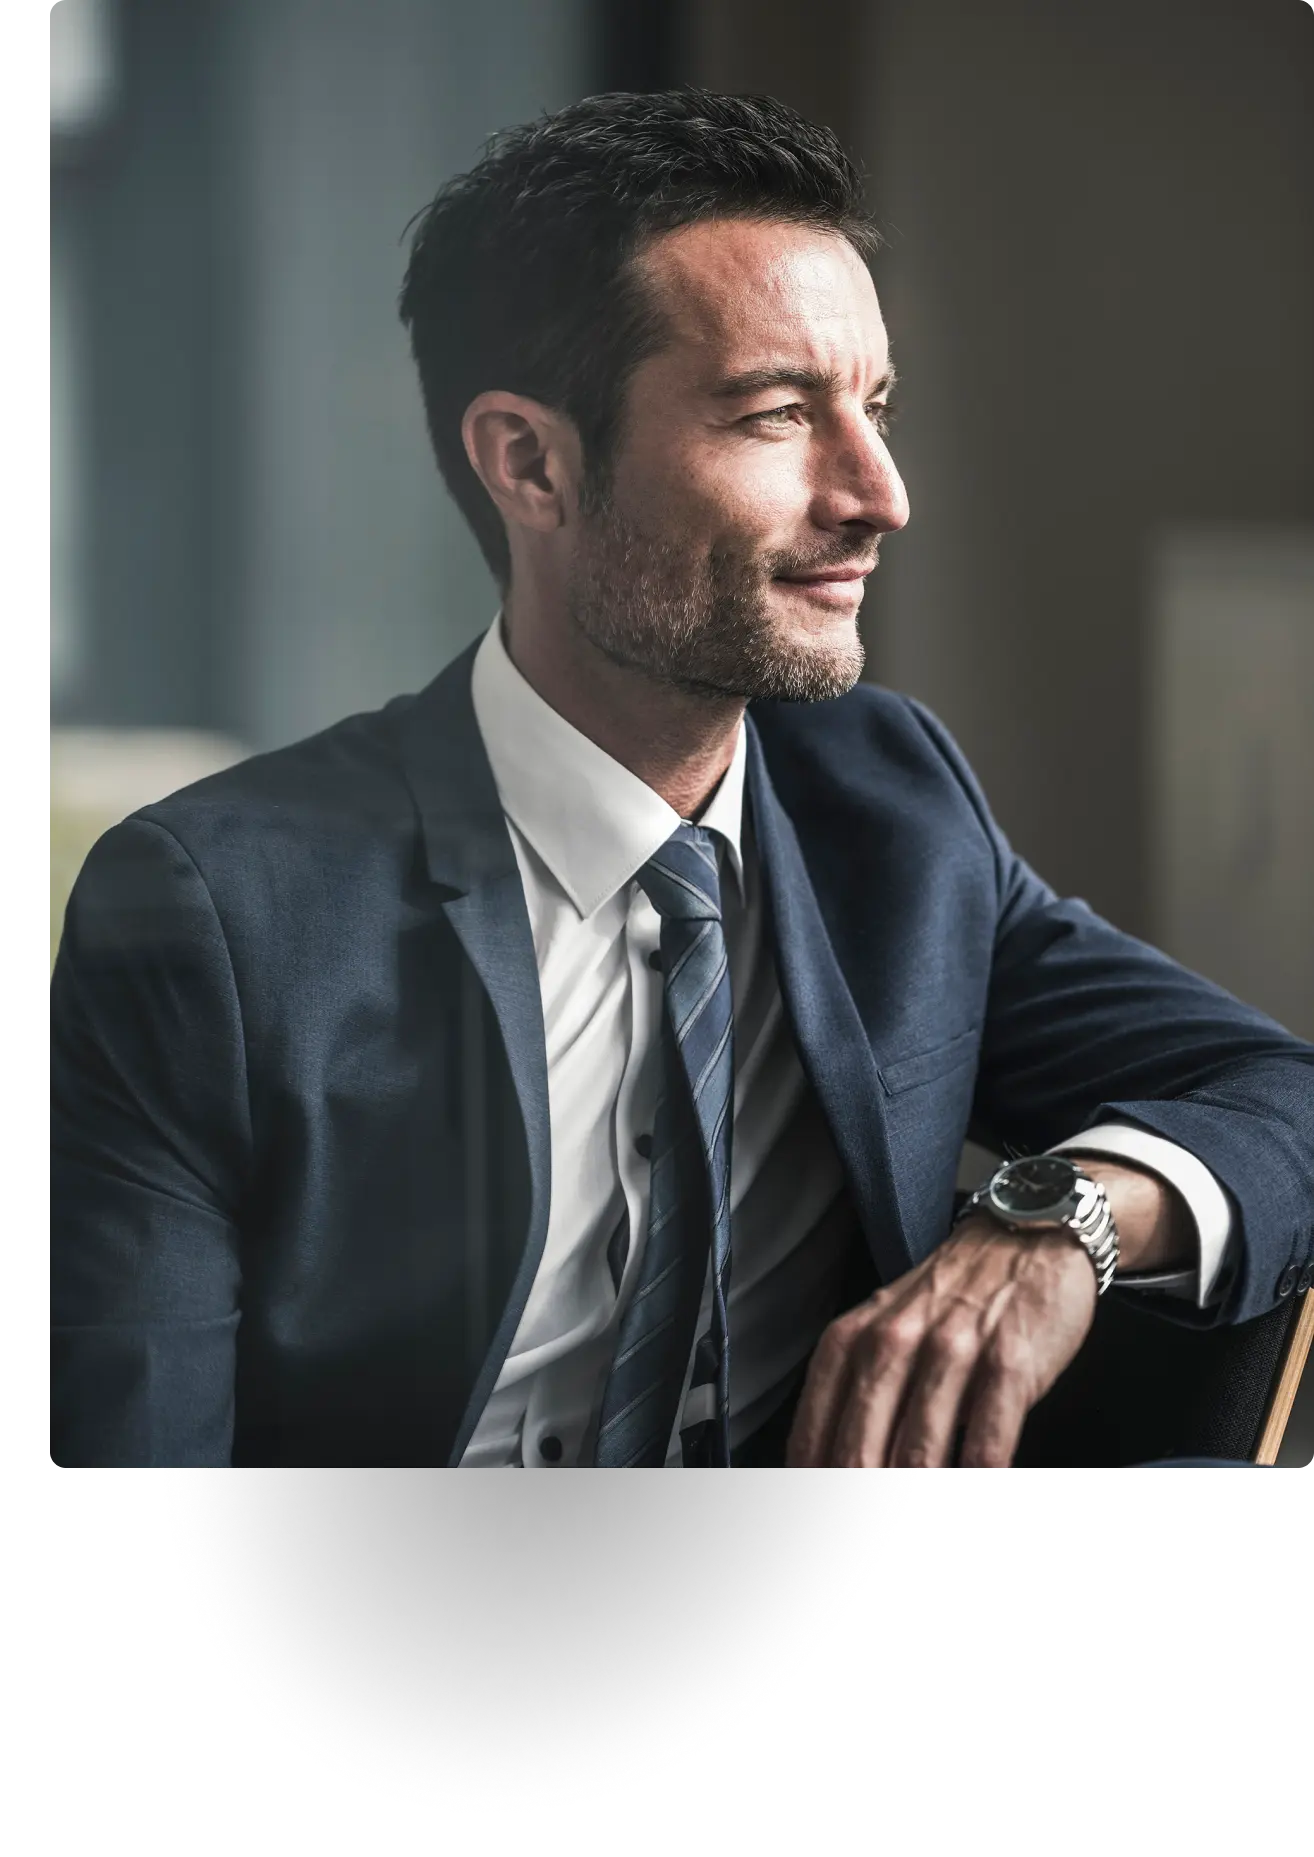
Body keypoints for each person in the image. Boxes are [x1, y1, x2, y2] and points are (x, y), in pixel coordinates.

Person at [48, 89, 1313, 1471]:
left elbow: (1278, 1096)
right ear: (530, 462)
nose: (878, 493)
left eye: (873, 405)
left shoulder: (882, 803)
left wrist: (1047, 1223)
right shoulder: (218, 911)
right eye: (777, 415)